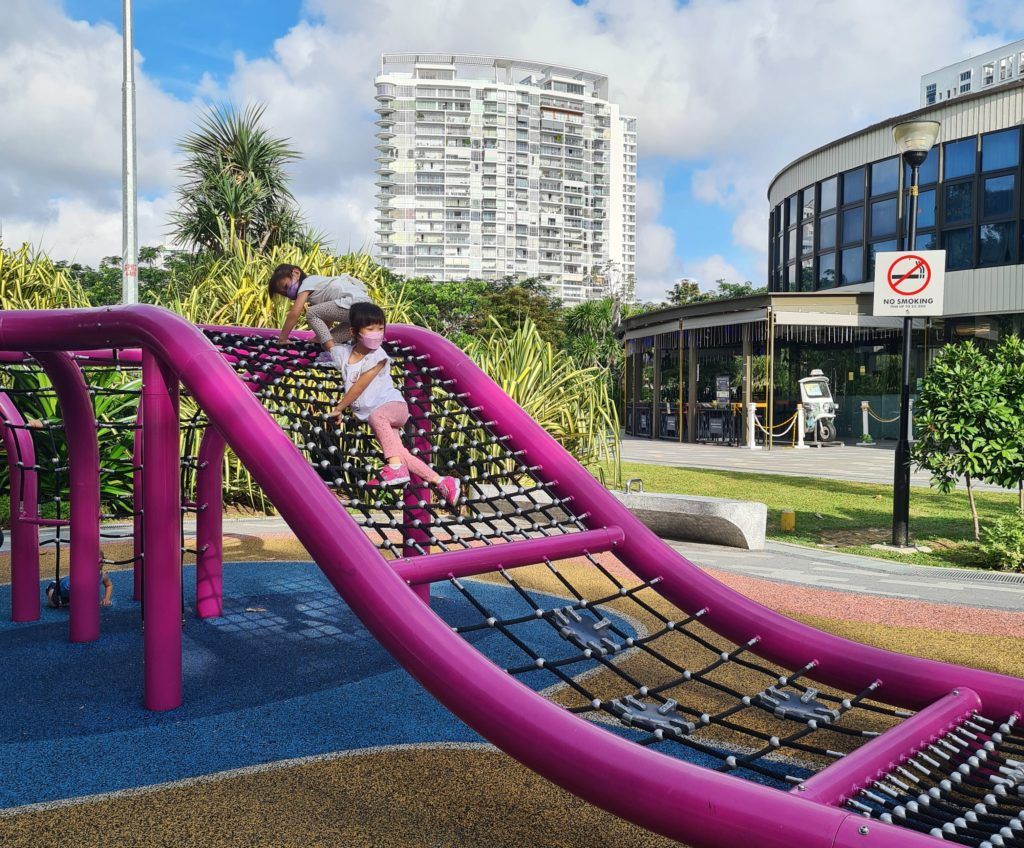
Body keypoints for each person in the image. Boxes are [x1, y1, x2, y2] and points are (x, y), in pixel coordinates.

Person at [331, 302, 461, 506]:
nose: (376, 333)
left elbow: (359, 386)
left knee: (381, 424)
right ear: (354, 332)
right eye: (370, 329)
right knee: (401, 454)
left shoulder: (378, 356)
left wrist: (339, 408)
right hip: (378, 420)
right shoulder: (342, 354)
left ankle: (394, 469)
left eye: (380, 328)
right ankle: (442, 481)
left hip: (393, 408)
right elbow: (325, 339)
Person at [267, 264, 369, 368]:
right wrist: (318, 337)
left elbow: (294, 313)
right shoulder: (319, 288)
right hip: (366, 316)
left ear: (296, 273)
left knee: (311, 313)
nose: (287, 293)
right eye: (284, 294)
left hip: (355, 304)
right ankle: (346, 358)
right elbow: (328, 317)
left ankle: (334, 355)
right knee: (328, 341)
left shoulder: (306, 284)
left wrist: (283, 338)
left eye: (286, 287)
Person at [46, 570, 114, 609]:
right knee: (54, 604)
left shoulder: (102, 575)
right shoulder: (78, 581)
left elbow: (109, 585)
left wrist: (106, 598)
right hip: (56, 591)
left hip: (72, 593)